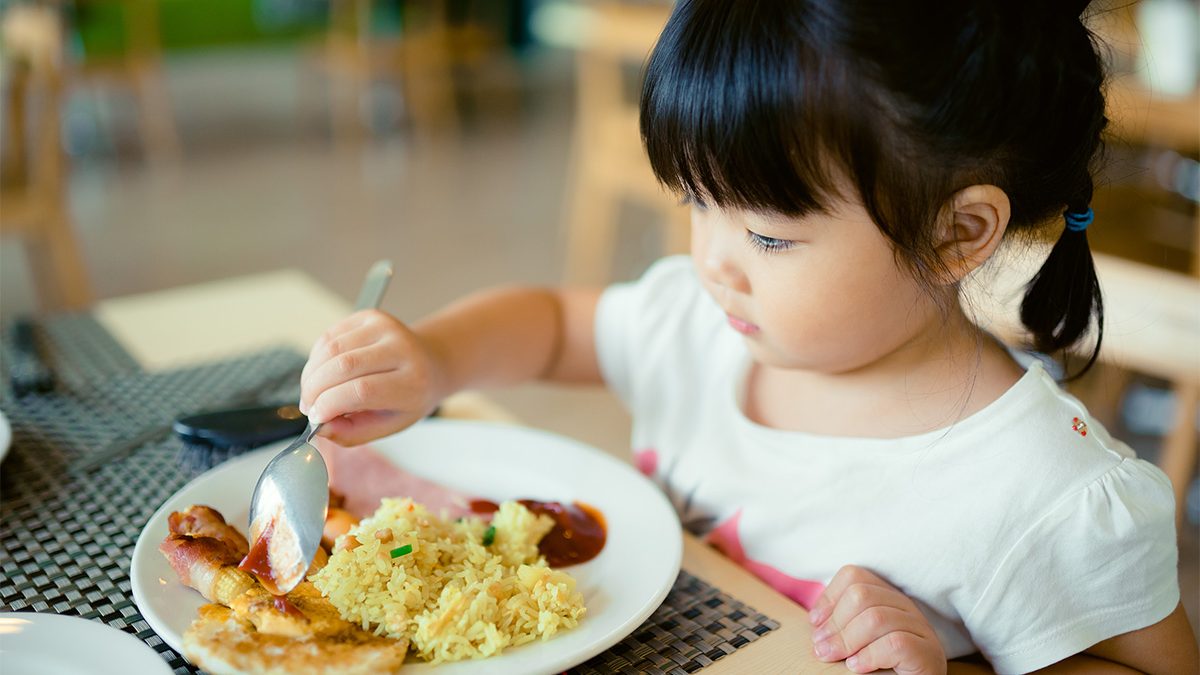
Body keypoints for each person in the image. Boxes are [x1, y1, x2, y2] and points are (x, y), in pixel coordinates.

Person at [297, 1, 1199, 672]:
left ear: (957, 233)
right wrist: (435, 359)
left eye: (768, 234)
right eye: (696, 202)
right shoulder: (707, 326)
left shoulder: (1047, 494)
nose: (715, 261)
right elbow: (554, 323)